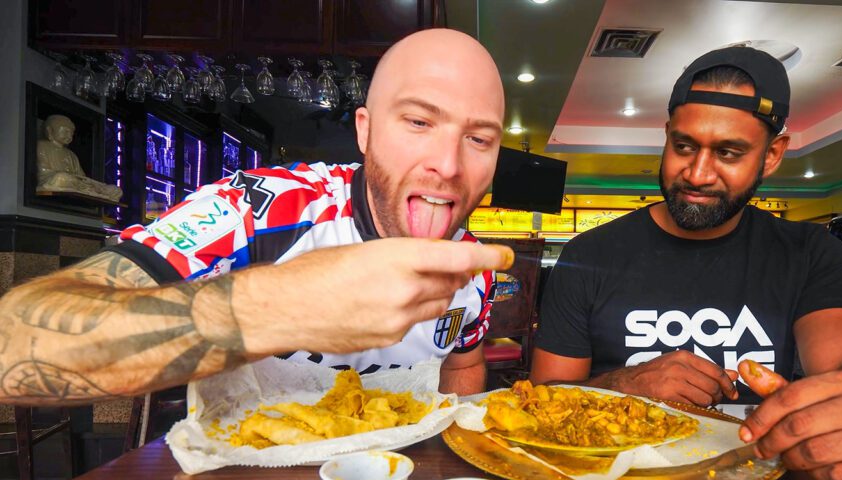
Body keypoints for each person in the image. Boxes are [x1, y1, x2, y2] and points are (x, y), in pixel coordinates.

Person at [0, 28, 512, 405]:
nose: (447, 165)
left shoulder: (474, 265)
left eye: (479, 139)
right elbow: (12, 347)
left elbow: (464, 362)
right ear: (366, 130)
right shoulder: (256, 208)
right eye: (419, 122)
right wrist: (284, 304)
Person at [530, 46, 842, 480]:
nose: (698, 174)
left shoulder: (811, 254)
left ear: (772, 155)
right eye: (683, 146)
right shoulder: (589, 254)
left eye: (729, 153)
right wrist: (623, 386)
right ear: (666, 136)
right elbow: (544, 397)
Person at [36, 114, 122, 202]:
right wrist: (71, 178)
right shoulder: (41, 146)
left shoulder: (71, 154)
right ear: (50, 131)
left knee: (116, 190)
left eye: (71, 133)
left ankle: (98, 191)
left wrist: (89, 184)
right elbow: (42, 172)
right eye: (66, 131)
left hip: (75, 183)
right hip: (58, 179)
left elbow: (81, 177)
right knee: (60, 178)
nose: (69, 136)